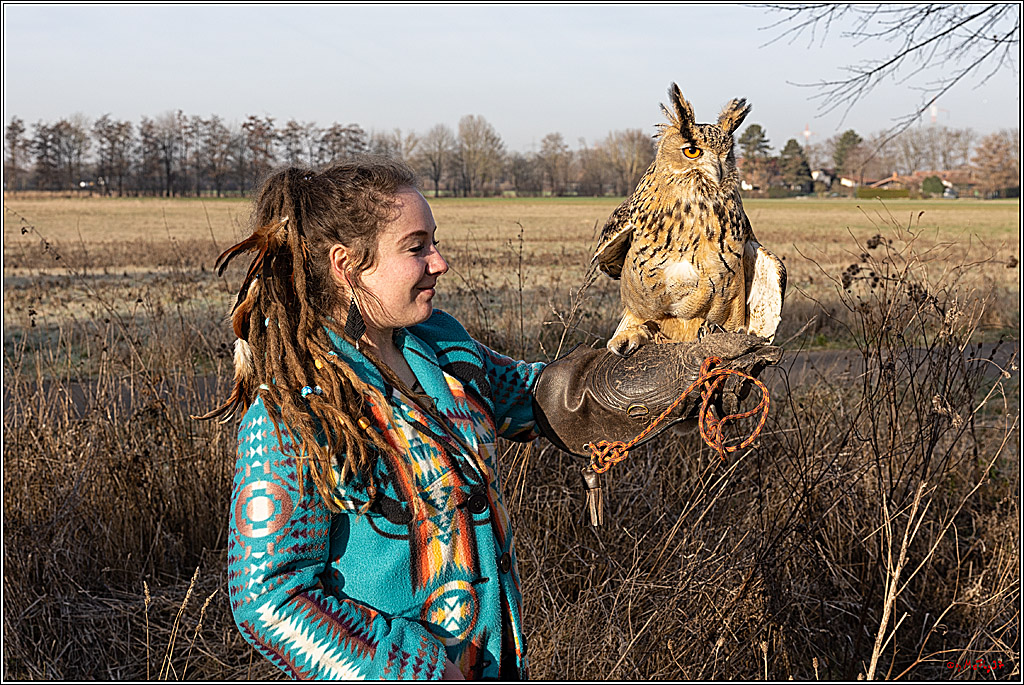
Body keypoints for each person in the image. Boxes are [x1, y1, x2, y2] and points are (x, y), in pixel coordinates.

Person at [205, 158, 542, 680]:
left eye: (434, 242)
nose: (439, 262)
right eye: (416, 247)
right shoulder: (297, 411)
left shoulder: (443, 348)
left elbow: (541, 397)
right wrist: (413, 670)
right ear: (347, 265)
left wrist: (659, 366)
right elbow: (268, 599)